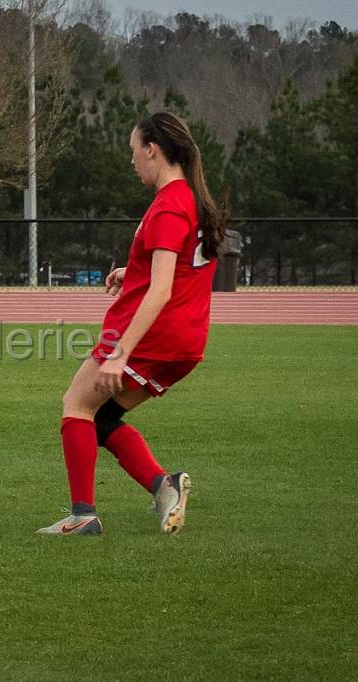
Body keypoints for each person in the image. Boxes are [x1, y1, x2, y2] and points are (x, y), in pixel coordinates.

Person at [37, 112, 228, 536]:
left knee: (77, 405)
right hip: (187, 341)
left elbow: (160, 291)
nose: (132, 161)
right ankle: (164, 486)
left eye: (133, 151)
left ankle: (83, 515)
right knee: (101, 420)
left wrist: (119, 353)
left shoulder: (168, 205)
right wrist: (134, 271)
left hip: (152, 336)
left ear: (152, 149)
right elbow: (176, 268)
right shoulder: (193, 200)